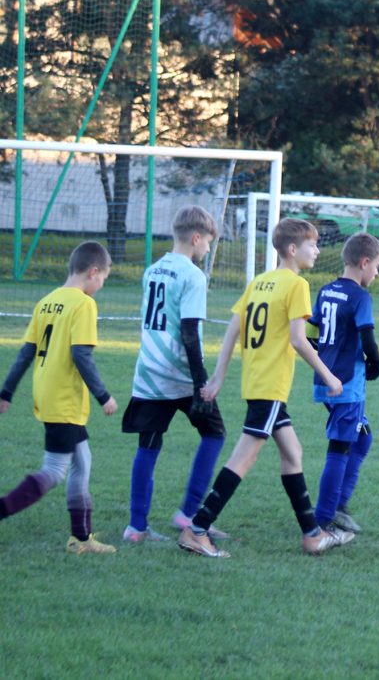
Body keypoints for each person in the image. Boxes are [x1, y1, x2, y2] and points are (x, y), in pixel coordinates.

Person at [177, 218, 352, 558]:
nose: (317, 251)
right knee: (245, 457)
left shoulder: (260, 281)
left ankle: (312, 535)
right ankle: (197, 529)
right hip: (270, 385)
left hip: (257, 381)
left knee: (293, 452)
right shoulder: (296, 285)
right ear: (292, 249)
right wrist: (329, 376)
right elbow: (299, 340)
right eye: (312, 245)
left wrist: (220, 376)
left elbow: (233, 328)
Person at [0, 241, 119, 554]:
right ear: (93, 272)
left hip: (47, 394)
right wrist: (103, 395)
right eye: (103, 278)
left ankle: (80, 536)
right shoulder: (83, 304)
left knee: (82, 461)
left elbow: (25, 353)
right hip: (64, 399)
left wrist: (6, 392)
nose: (101, 285)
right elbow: (81, 355)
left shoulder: (47, 301)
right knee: (54, 471)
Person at [120, 206, 229, 543]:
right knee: (215, 434)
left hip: (149, 370)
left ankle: (136, 527)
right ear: (196, 238)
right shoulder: (193, 276)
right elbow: (189, 332)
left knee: (148, 444)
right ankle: (189, 513)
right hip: (180, 372)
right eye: (208, 242)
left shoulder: (153, 269)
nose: (208, 248)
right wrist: (200, 383)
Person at [308, 233, 379, 536]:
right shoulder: (360, 296)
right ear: (364, 263)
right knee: (339, 447)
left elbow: (312, 334)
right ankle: (325, 518)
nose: (377, 273)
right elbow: (368, 337)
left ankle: (338, 505)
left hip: (325, 379)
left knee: (362, 439)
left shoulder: (326, 291)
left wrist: (325, 358)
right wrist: (376, 363)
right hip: (347, 384)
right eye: (376, 266)